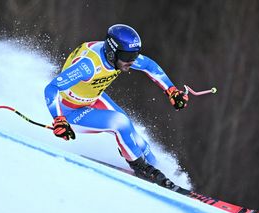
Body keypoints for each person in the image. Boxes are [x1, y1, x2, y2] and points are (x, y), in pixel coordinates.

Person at [44, 24, 188, 190]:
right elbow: (52, 88)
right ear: (112, 52)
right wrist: (59, 119)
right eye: (128, 56)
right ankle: (140, 168)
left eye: (135, 54)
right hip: (70, 112)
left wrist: (171, 90)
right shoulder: (88, 66)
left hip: (92, 98)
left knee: (135, 136)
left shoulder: (119, 57)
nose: (132, 61)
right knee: (120, 123)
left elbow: (149, 66)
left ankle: (160, 171)